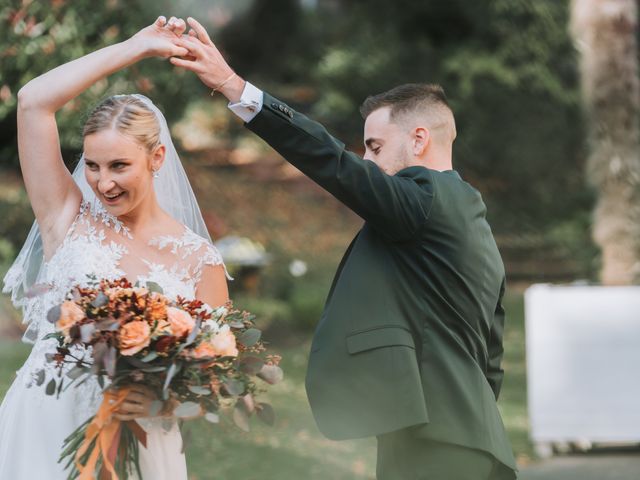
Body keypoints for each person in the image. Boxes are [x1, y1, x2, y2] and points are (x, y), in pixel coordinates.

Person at [170, 17, 518, 480]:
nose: (367, 161)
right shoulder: (472, 219)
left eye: (374, 146)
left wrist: (235, 88)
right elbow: (490, 353)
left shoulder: (423, 198)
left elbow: (335, 164)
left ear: (419, 139)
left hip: (437, 443)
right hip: (461, 436)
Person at [0, 17, 229, 479]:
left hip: (142, 436)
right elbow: (32, 102)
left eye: (120, 165)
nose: (103, 183)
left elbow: (216, 377)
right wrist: (136, 46)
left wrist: (167, 399)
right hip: (47, 419)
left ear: (156, 157)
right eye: (93, 166)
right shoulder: (66, 216)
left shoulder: (200, 260)